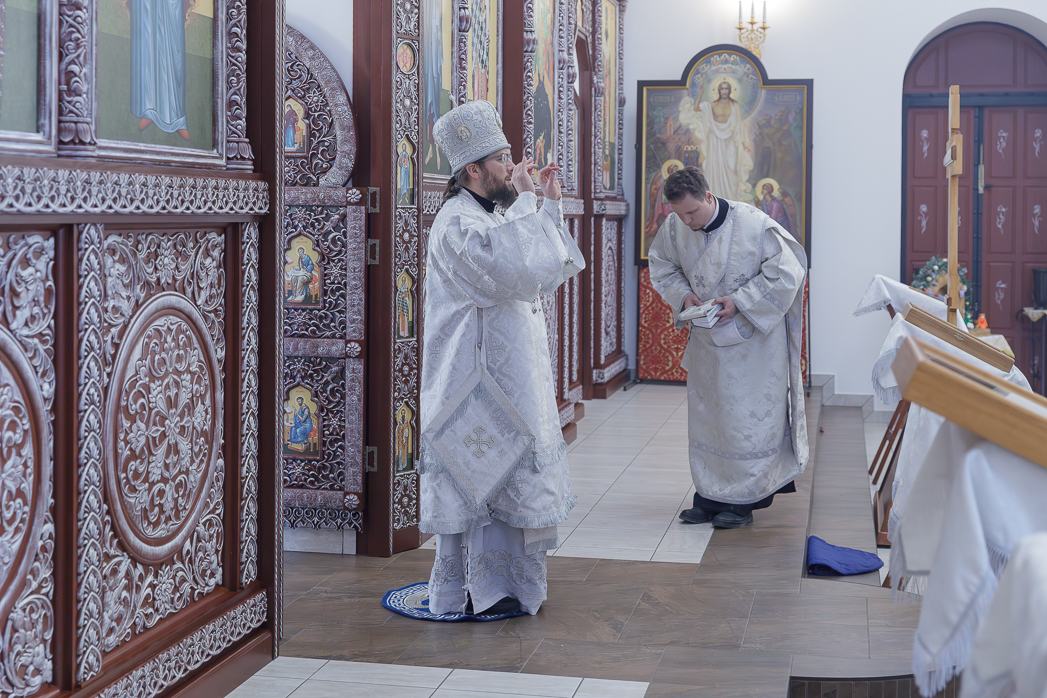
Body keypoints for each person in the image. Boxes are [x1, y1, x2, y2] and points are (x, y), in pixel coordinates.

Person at [420, 100, 583, 616]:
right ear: (473, 169)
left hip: (513, 373)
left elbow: (543, 269)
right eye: (503, 158)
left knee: (513, 478)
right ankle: (473, 587)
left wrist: (547, 205)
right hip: (475, 379)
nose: (513, 166)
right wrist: (528, 201)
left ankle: (510, 584)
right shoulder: (456, 223)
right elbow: (512, 272)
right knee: (479, 479)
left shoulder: (491, 213)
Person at [648, 167, 808, 528]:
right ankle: (709, 495)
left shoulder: (754, 224)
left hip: (754, 347)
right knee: (710, 419)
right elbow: (663, 266)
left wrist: (740, 301)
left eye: (692, 212)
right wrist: (683, 296)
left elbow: (788, 272)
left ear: (708, 196)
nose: (687, 221)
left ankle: (743, 500)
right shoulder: (674, 227)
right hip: (708, 343)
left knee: (744, 421)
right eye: (679, 214)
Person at [678, 80, 753, 201]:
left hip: (731, 140)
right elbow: (696, 108)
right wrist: (701, 93)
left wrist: (744, 144)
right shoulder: (712, 105)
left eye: (726, 88)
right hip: (715, 140)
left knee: (732, 169)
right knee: (715, 168)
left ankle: (731, 200)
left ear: (730, 90)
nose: (724, 91)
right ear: (719, 91)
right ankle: (715, 199)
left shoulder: (735, 106)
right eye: (722, 89)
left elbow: (740, 126)